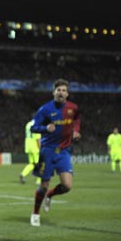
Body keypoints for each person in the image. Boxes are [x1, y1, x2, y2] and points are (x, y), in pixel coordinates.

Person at [29, 79, 81, 227]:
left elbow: (77, 119)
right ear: (54, 92)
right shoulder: (45, 109)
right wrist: (46, 129)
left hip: (63, 151)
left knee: (67, 186)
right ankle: (35, 213)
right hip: (47, 151)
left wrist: (76, 131)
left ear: (67, 93)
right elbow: (33, 128)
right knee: (43, 186)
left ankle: (50, 195)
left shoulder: (73, 108)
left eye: (64, 90)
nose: (61, 93)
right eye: (58, 90)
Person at [19, 120, 41, 185]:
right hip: (35, 147)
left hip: (28, 146)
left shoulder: (28, 124)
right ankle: (39, 181)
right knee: (40, 164)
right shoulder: (37, 125)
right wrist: (40, 148)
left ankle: (23, 174)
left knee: (32, 163)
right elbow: (38, 138)